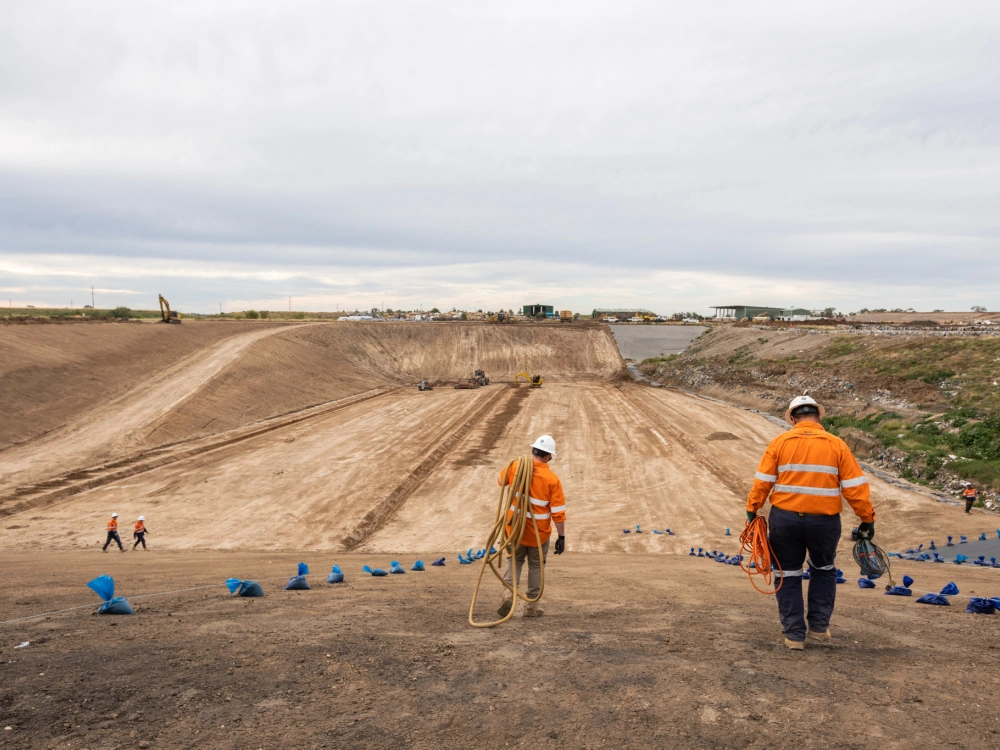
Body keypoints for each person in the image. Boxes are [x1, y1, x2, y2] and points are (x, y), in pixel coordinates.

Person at [746, 395, 876, 650]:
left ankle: (794, 636)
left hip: (785, 520)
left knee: (787, 573)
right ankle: (818, 628)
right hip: (824, 522)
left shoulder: (779, 443)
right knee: (824, 569)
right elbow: (855, 488)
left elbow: (762, 481)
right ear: (818, 417)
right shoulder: (836, 444)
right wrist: (866, 519)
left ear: (793, 419)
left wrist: (752, 510)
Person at [497, 435, 567, 618]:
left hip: (515, 531)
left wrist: (515, 472)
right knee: (536, 566)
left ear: (533, 451)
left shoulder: (515, 467)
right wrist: (562, 537)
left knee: (514, 561)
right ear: (548, 456)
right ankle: (532, 606)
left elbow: (500, 481)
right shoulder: (552, 479)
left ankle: (508, 595)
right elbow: (558, 514)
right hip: (538, 535)